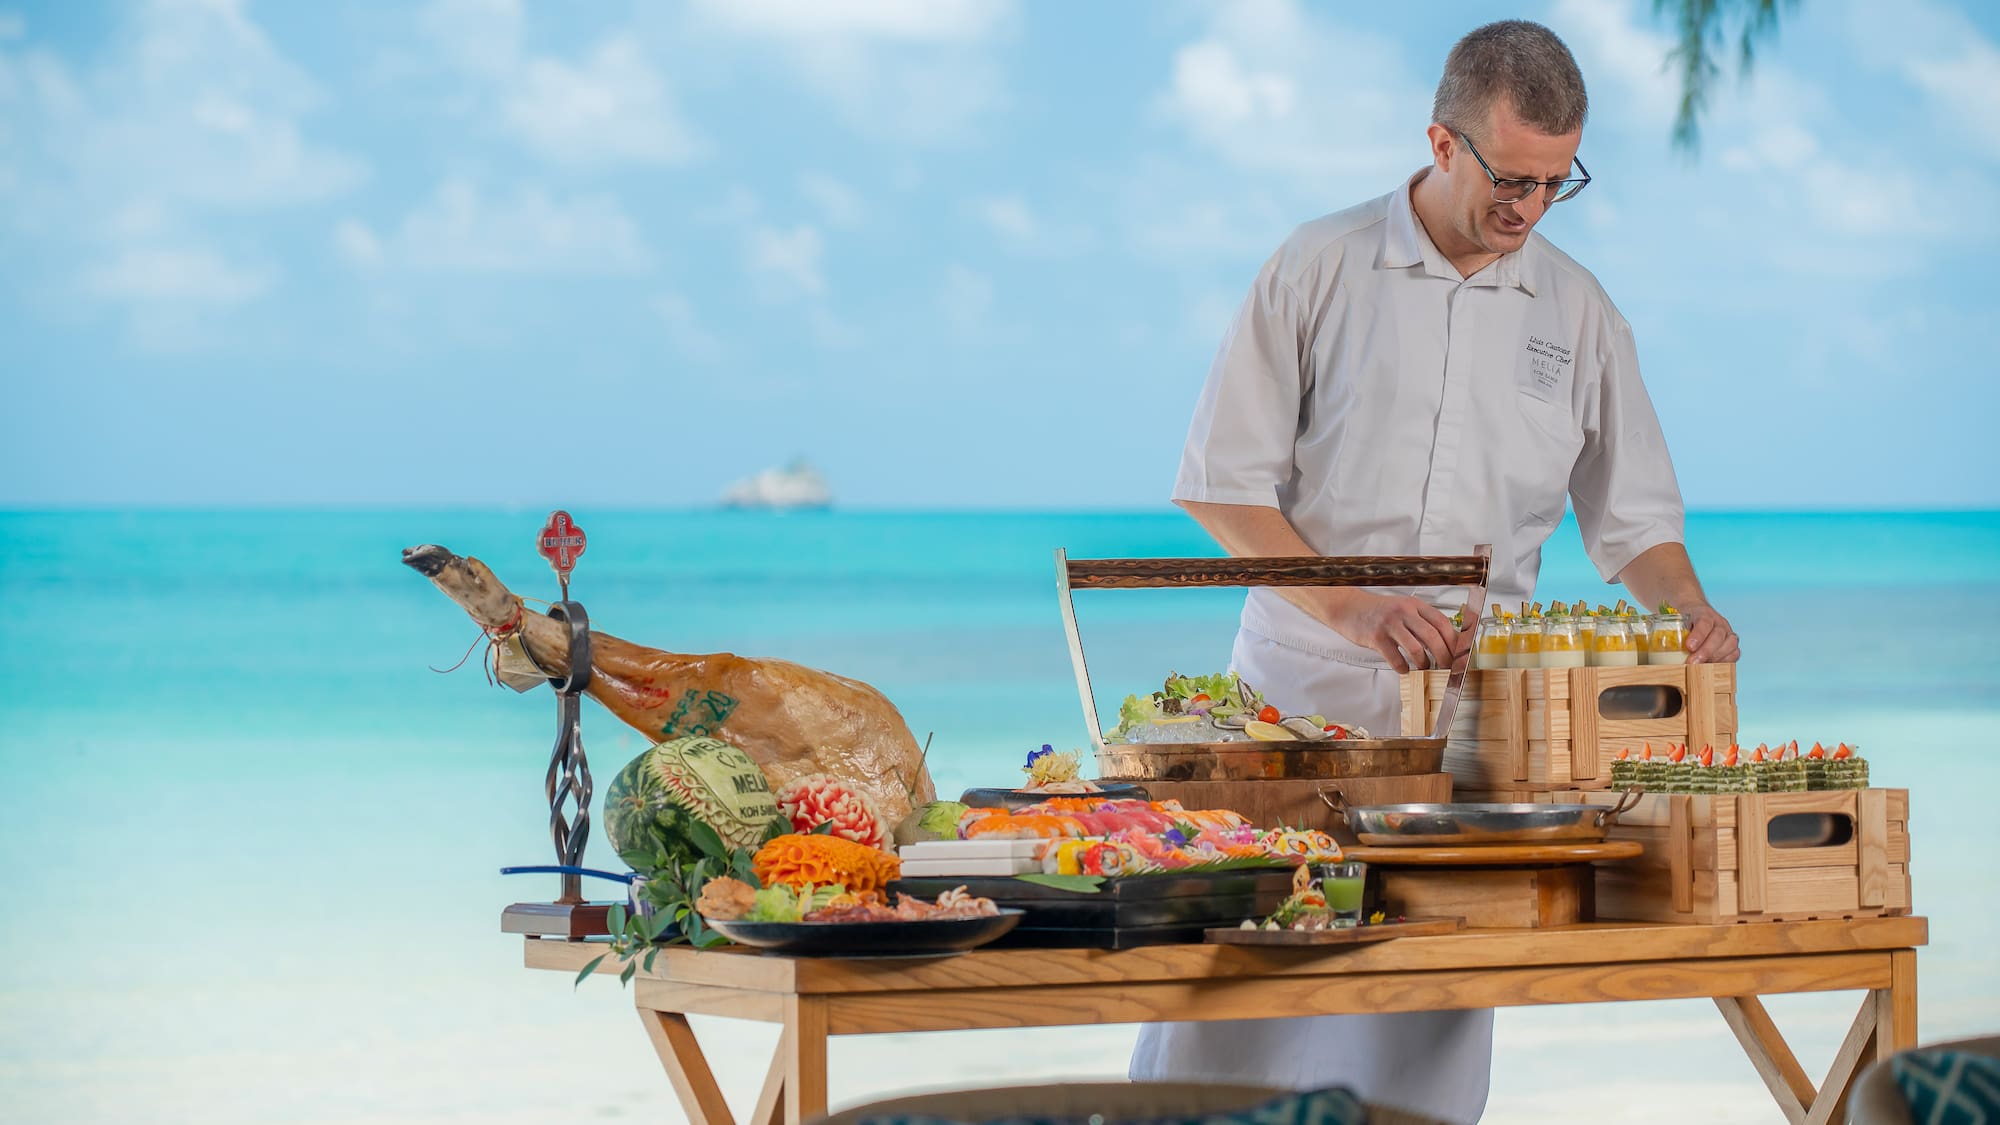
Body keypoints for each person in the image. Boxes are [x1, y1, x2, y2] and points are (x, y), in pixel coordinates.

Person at [1128, 19, 1740, 1122]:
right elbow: (1220, 486)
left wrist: (1685, 606)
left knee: (1427, 1017)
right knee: (1242, 999)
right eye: (1509, 178)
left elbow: (1632, 521)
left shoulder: (1580, 312)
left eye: (1558, 183)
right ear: (1440, 142)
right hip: (1297, 700)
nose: (1529, 210)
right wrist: (1355, 609)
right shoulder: (1319, 264)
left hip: (1472, 724)